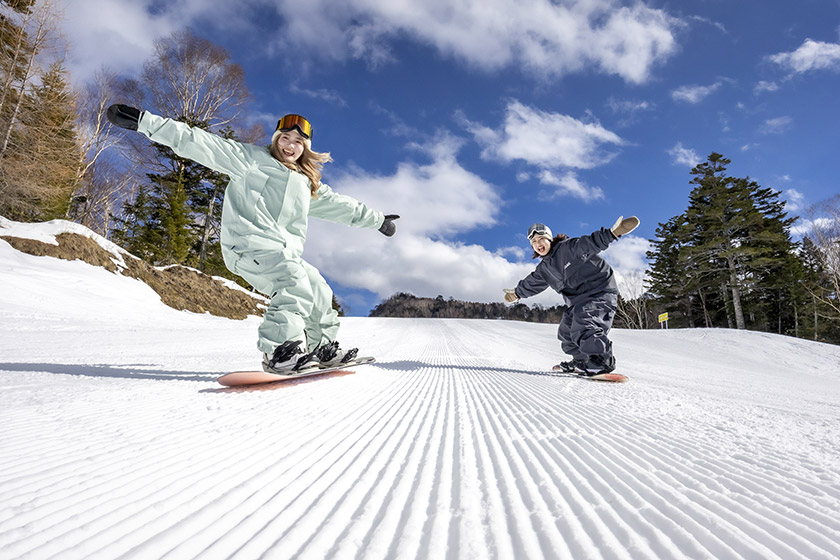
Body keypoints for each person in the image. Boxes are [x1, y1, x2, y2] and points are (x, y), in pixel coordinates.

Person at [106, 104, 399, 374]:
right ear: (275, 139)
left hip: (281, 253)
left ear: (305, 148)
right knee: (293, 280)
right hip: (247, 246)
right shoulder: (249, 160)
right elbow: (200, 142)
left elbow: (341, 205)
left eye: (298, 142)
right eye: (285, 138)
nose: (290, 146)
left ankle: (321, 348)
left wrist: (377, 220)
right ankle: (280, 352)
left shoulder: (304, 183)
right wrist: (145, 122)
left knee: (317, 288)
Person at [504, 216, 639, 375]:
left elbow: (589, 243)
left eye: (541, 239)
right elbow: (531, 282)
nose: (538, 244)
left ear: (550, 239)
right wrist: (517, 293)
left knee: (586, 323)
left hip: (599, 293)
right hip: (577, 302)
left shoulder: (567, 248)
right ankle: (581, 361)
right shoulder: (544, 269)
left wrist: (612, 233)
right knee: (566, 333)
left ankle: (602, 360)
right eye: (534, 242)